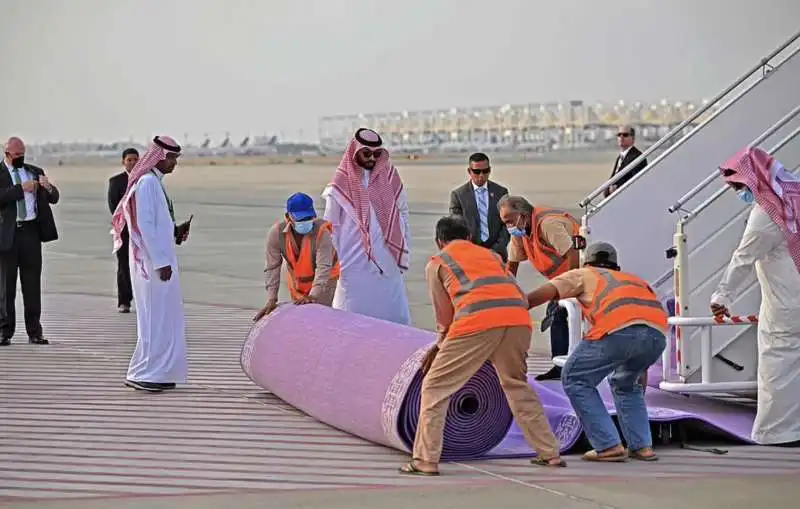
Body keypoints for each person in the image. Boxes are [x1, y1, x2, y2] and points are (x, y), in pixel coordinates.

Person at [399, 215, 565, 476]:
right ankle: (549, 452)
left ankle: (425, 460)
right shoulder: (492, 256)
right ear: (468, 238)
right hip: (518, 320)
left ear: (439, 241)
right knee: (516, 385)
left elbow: (445, 317)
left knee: (435, 387)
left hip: (477, 321)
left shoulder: (438, 262)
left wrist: (439, 347)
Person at [526, 241, 667, 462]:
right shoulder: (635, 280)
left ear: (587, 261)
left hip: (619, 329)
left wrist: (513, 306)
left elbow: (544, 294)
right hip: (657, 336)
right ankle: (642, 446)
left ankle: (608, 445)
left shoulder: (584, 274)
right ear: (615, 265)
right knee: (628, 386)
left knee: (575, 377)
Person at [710, 147, 800, 447]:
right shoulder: (793, 195)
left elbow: (744, 258)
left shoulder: (767, 213)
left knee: (778, 364)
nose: (738, 193)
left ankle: (778, 433)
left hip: (786, 304)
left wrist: (722, 295)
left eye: (739, 187)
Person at [111, 135, 192, 393]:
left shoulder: (154, 183)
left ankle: (158, 371)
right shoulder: (146, 183)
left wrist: (175, 234)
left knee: (163, 318)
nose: (174, 164)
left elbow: (158, 225)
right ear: (160, 157)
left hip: (161, 261)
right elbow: (144, 226)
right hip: (153, 266)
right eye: (172, 159)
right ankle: (143, 372)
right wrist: (160, 261)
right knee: (154, 319)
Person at [322, 128, 412, 325]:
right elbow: (330, 226)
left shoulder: (389, 177)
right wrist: (334, 261)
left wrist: (404, 241)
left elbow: (403, 211)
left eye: (376, 154)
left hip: (388, 257)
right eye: (366, 153)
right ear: (355, 152)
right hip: (353, 261)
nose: (372, 158)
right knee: (351, 318)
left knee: (395, 316)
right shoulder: (340, 185)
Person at [499, 195, 580, 380]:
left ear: (522, 215)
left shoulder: (547, 224)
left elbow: (573, 255)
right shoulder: (521, 231)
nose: (508, 226)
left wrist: (567, 288)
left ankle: (565, 366)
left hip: (579, 271)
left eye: (509, 221)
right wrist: (504, 293)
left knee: (559, 312)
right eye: (505, 222)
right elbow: (512, 266)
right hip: (562, 277)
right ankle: (559, 365)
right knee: (556, 314)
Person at [0, 136, 60, 346]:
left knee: (32, 283)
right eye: (16, 155)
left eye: (23, 154)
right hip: (7, 235)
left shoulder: (34, 170)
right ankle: (4, 331)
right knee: (6, 285)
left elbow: (54, 198)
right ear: (7, 154)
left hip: (30, 233)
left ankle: (34, 331)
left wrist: (48, 186)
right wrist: (20, 189)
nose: (20, 158)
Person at [254, 192, 341, 320]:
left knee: (318, 317)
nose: (305, 222)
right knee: (301, 319)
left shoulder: (323, 233)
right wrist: (272, 298)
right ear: (288, 217)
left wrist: (314, 296)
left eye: (308, 218)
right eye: (300, 219)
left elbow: (323, 267)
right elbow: (272, 267)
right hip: (298, 282)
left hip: (325, 281)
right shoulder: (277, 234)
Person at [448, 152, 510, 261]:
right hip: (469, 256)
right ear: (469, 171)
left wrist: (496, 250)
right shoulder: (459, 195)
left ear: (490, 170)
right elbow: (456, 229)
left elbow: (506, 225)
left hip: (497, 256)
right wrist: (471, 251)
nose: (481, 175)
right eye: (476, 172)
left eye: (485, 171)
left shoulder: (501, 192)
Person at [107, 147, 140, 313]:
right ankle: (124, 300)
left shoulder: (145, 180)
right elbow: (113, 207)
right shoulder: (116, 181)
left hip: (142, 231)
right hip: (124, 230)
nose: (133, 163)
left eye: (135, 159)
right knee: (124, 265)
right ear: (123, 162)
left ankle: (142, 298)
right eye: (129, 160)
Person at [604, 125, 648, 198]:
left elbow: (638, 184)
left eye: (625, 135)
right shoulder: (620, 157)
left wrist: (618, 189)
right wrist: (608, 191)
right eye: (619, 135)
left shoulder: (637, 157)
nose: (621, 137)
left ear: (633, 139)